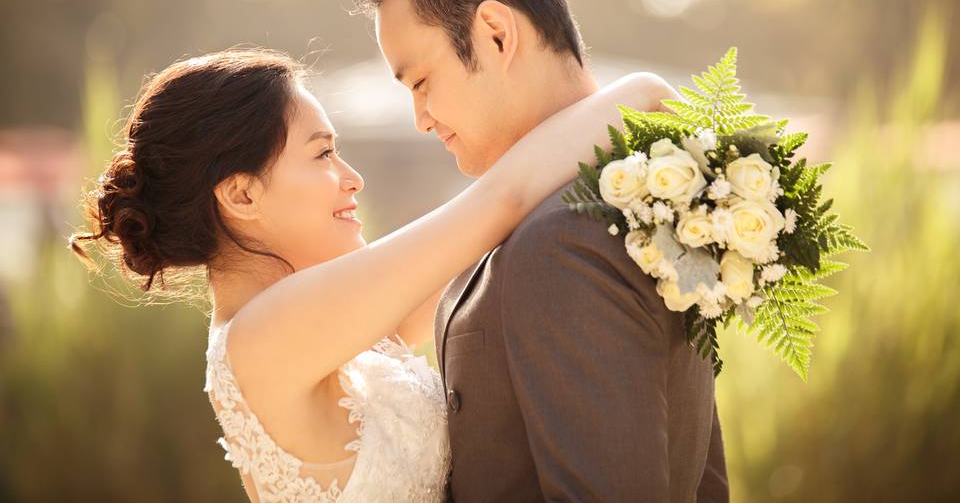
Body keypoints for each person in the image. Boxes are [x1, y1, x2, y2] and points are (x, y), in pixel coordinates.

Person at [70, 48, 677, 502]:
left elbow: (484, 240)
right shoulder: (266, 335)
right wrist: (645, 92)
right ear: (242, 194)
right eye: (322, 153)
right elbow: (499, 202)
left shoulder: (304, 328)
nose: (352, 177)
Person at [355, 0, 729, 502]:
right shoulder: (634, 201)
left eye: (421, 82)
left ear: (497, 34)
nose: (420, 119)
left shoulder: (563, 239)